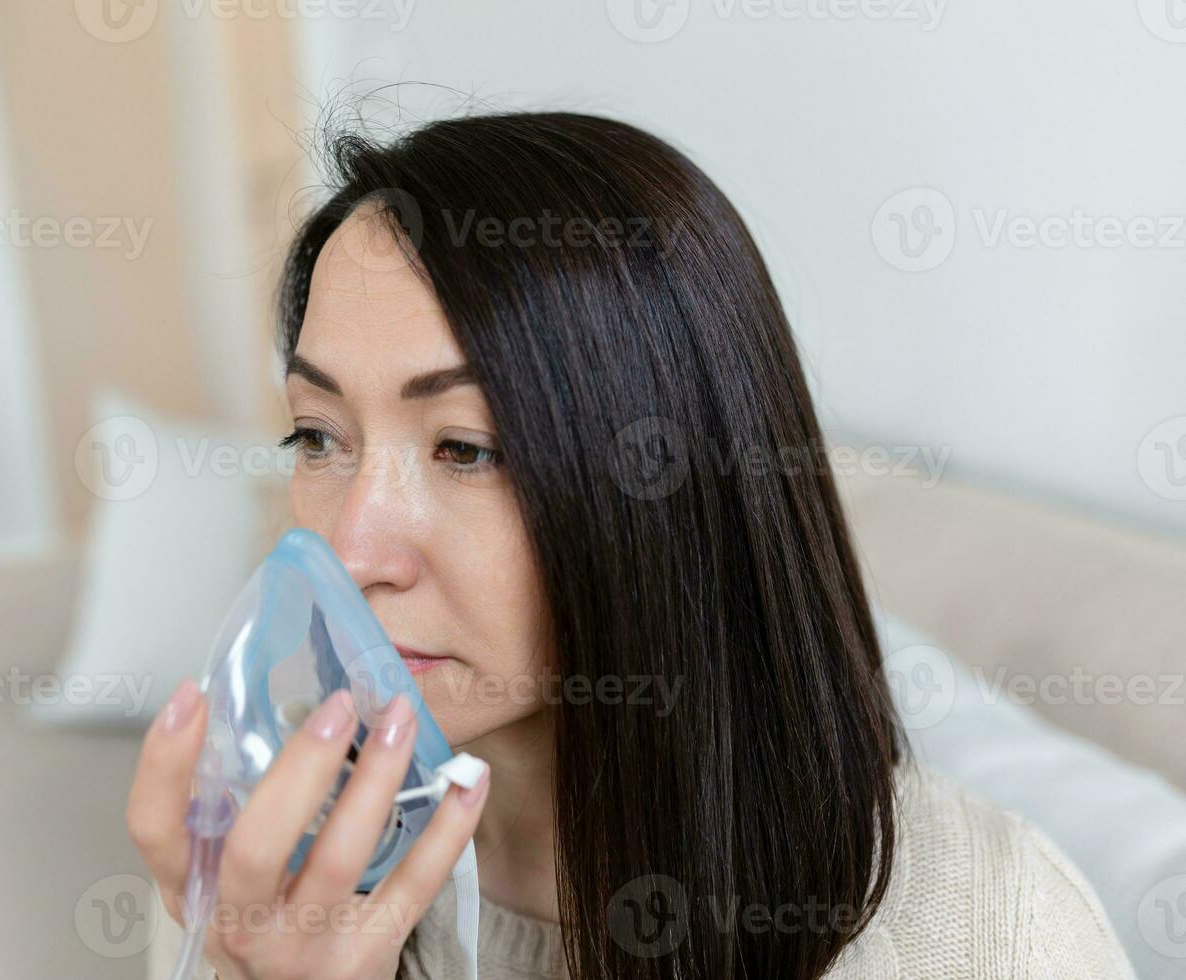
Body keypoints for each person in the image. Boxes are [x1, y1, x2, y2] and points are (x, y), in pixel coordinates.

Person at [127, 111, 1135, 980]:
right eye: (319, 434)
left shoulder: (984, 927)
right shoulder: (269, 857)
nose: (353, 547)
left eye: (467, 448)